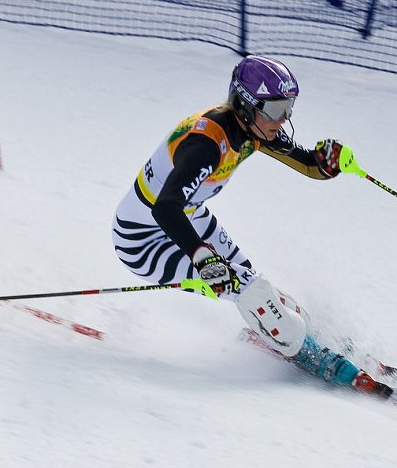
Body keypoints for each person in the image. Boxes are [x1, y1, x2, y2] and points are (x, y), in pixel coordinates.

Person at [112, 55, 377, 391]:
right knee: (251, 290)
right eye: (275, 110)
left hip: (189, 216)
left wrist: (329, 162)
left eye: (287, 108)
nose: (282, 120)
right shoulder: (205, 145)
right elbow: (164, 207)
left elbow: (309, 165)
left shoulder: (254, 127)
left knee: (263, 292)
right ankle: (305, 352)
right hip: (143, 238)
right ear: (246, 105)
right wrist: (200, 254)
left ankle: (302, 337)